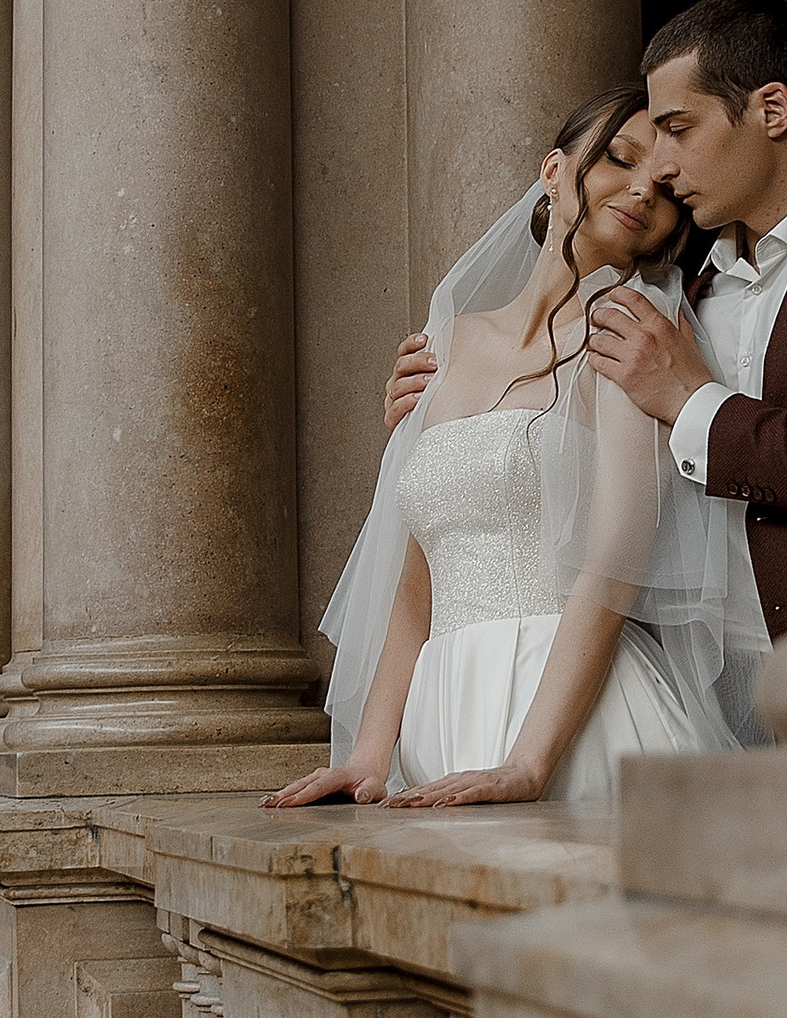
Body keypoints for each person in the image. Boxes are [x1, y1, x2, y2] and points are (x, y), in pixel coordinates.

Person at [271, 90, 742, 816]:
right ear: (553, 171)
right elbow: (417, 583)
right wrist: (368, 755)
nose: (643, 189)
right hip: (443, 706)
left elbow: (613, 567)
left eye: (666, 185)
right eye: (619, 159)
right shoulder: (448, 343)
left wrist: (528, 763)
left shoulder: (634, 335)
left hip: (568, 714)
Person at [384, 0, 787, 654]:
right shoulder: (675, 304)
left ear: (773, 110)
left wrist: (694, 404)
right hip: (690, 676)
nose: (665, 169)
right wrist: (449, 413)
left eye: (679, 130)